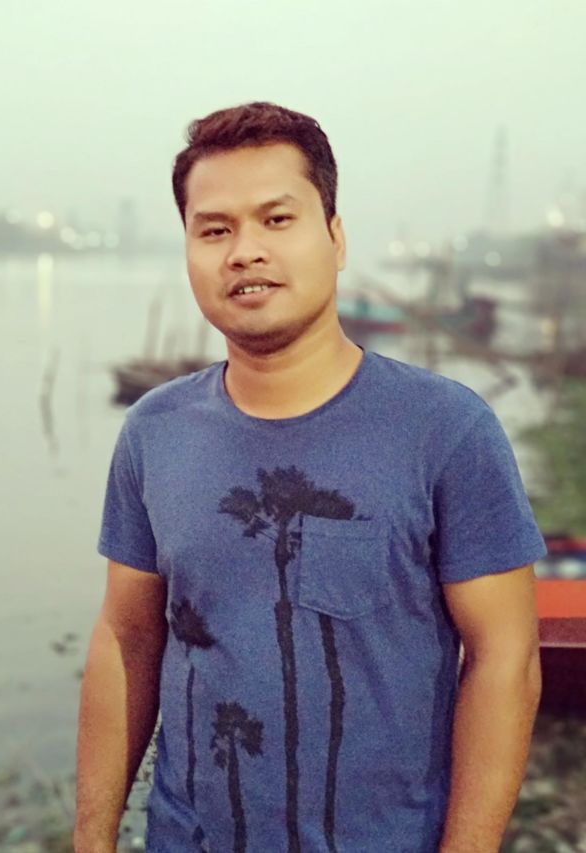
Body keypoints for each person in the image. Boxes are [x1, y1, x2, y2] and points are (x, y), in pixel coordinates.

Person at [74, 102, 547, 853]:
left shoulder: (446, 430)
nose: (245, 252)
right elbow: (126, 639)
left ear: (335, 236)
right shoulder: (154, 431)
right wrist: (92, 835)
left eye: (277, 219)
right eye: (214, 230)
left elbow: (504, 661)